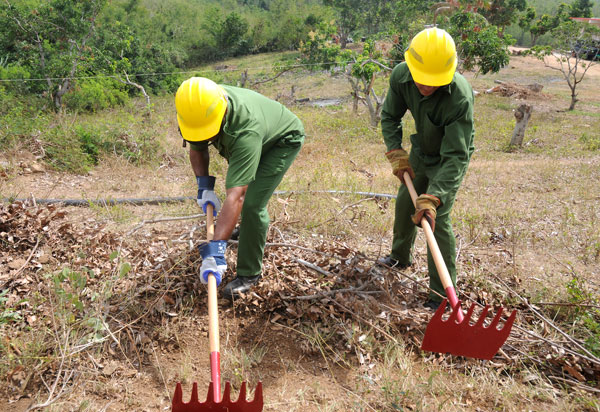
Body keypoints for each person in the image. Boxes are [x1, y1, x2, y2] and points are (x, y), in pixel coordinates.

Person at [175, 77, 305, 299]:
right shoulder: (198, 107)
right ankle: (241, 232)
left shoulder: (245, 131)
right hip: (259, 132)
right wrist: (203, 186)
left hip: (281, 141)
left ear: (222, 114)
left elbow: (237, 196)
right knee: (240, 195)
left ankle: (249, 274)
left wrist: (216, 250)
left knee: (253, 204)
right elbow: (197, 148)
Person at [379, 27, 475, 310]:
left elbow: (456, 155)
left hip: (449, 158)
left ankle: (441, 297)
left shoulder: (459, 96)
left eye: (433, 82)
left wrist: (434, 197)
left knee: (437, 220)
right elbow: (390, 116)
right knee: (404, 203)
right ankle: (400, 256)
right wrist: (396, 151)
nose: (426, 86)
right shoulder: (401, 76)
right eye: (421, 80)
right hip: (421, 150)